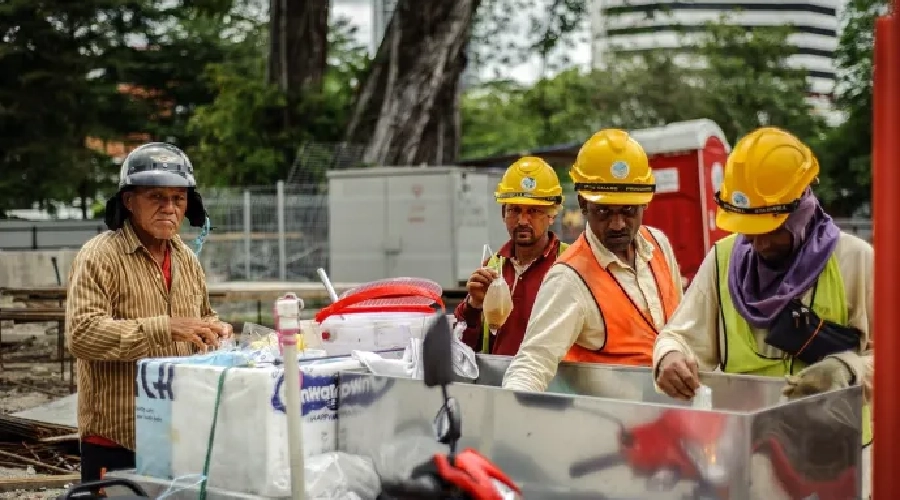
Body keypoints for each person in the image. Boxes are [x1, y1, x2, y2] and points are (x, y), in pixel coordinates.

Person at [652, 127, 873, 498]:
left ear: (800, 209)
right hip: (751, 456)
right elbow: (679, 336)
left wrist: (848, 369)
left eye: (770, 230)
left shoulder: (854, 261)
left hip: (839, 460)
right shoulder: (723, 261)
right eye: (748, 230)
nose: (758, 242)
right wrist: (670, 356)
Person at [66, 142, 231, 484]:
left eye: (178, 199)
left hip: (179, 433)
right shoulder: (99, 256)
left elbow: (201, 317)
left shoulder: (186, 259)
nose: (169, 208)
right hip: (117, 437)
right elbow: (83, 335)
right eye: (156, 197)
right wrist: (165, 328)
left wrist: (215, 329)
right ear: (129, 201)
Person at [502, 129, 682, 392]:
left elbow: (680, 326)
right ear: (583, 204)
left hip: (674, 417)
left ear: (644, 204)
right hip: (614, 427)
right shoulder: (569, 278)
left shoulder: (658, 245)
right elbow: (532, 364)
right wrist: (514, 414)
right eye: (604, 211)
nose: (617, 223)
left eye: (628, 211)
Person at [455, 156, 568, 356]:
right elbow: (463, 347)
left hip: (553, 383)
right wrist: (473, 306)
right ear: (503, 213)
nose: (522, 220)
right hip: (500, 380)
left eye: (533, 211)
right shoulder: (492, 267)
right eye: (514, 210)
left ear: (552, 215)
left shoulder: (570, 262)